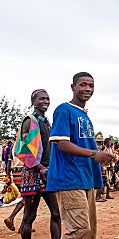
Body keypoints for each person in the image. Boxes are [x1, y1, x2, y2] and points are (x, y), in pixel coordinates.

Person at [46, 72, 114, 239]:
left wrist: (100, 159)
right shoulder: (64, 110)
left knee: (89, 232)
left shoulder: (84, 115)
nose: (87, 89)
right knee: (79, 230)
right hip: (70, 178)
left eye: (91, 86)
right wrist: (94, 154)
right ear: (73, 87)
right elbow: (62, 144)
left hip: (85, 179)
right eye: (83, 85)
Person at [14, 89, 61, 239]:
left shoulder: (47, 124)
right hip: (33, 173)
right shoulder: (29, 121)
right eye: (41, 99)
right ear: (33, 102)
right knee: (30, 216)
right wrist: (41, 168)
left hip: (47, 172)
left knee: (55, 213)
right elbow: (24, 151)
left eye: (47, 99)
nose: (46, 101)